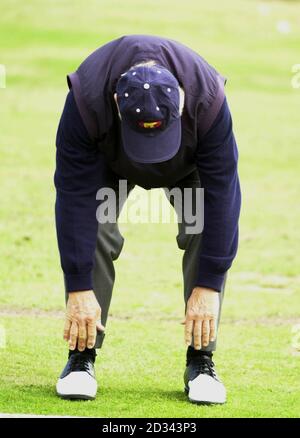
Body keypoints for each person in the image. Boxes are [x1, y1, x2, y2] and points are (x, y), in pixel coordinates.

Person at [54, 35, 241, 404]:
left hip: (186, 165)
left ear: (183, 100)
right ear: (116, 105)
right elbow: (74, 196)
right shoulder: (86, 100)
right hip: (110, 162)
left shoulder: (208, 99)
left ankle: (201, 362)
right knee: (92, 229)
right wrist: (78, 287)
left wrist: (209, 284)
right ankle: (81, 358)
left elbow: (223, 197)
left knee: (203, 224)